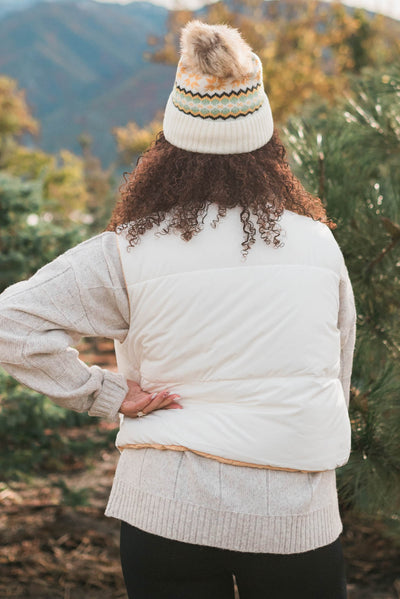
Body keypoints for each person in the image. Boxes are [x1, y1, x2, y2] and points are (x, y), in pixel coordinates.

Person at [0, 20, 356, 599]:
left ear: (169, 142)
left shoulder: (128, 249)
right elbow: (335, 374)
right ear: (266, 141)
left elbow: (9, 324)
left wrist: (106, 394)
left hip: (166, 509)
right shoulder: (319, 243)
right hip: (296, 513)